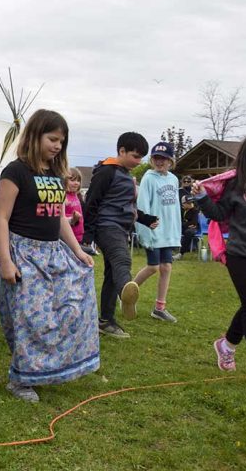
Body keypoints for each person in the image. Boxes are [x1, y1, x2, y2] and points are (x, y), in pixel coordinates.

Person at [0, 109, 99, 403]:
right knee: (29, 319)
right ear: (35, 135)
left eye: (61, 141)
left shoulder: (55, 174)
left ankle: (51, 368)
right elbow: (1, 217)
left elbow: (59, 217)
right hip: (24, 254)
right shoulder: (15, 172)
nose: (57, 146)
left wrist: (77, 250)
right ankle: (20, 380)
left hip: (54, 253)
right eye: (52, 139)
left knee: (67, 309)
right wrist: (5, 260)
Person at [193, 131, 246, 391]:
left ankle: (226, 345)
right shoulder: (237, 185)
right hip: (242, 255)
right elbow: (218, 213)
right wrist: (202, 197)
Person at [83, 132, 158, 339]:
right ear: (122, 151)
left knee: (111, 274)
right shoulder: (107, 171)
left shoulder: (126, 175)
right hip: (107, 227)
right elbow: (91, 202)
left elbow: (127, 206)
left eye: (141, 157)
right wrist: (88, 236)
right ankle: (126, 290)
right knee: (121, 259)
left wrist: (145, 219)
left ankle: (106, 320)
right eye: (135, 156)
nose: (139, 161)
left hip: (121, 228)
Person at [132, 142, 182, 323]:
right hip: (153, 230)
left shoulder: (174, 179)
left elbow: (175, 208)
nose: (160, 162)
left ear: (170, 161)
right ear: (152, 160)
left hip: (168, 232)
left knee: (166, 267)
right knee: (153, 267)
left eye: (164, 158)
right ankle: (126, 293)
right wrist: (145, 229)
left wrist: (176, 230)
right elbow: (143, 205)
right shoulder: (148, 178)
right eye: (156, 158)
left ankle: (159, 308)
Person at [65, 167, 85, 243]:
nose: (76, 183)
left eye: (78, 180)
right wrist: (72, 217)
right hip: (69, 236)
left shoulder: (75, 195)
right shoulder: (64, 197)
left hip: (78, 235)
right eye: (72, 180)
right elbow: (60, 217)